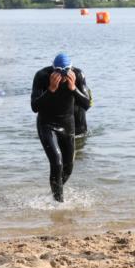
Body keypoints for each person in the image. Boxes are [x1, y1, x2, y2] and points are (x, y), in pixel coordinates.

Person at [31, 53, 91, 201]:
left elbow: (86, 104)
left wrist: (73, 88)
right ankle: (59, 203)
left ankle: (53, 194)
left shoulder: (78, 75)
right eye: (59, 72)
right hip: (47, 125)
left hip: (68, 125)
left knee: (68, 168)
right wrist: (51, 89)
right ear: (53, 69)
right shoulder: (42, 76)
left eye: (66, 71)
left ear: (71, 68)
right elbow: (34, 107)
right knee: (57, 163)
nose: (63, 76)